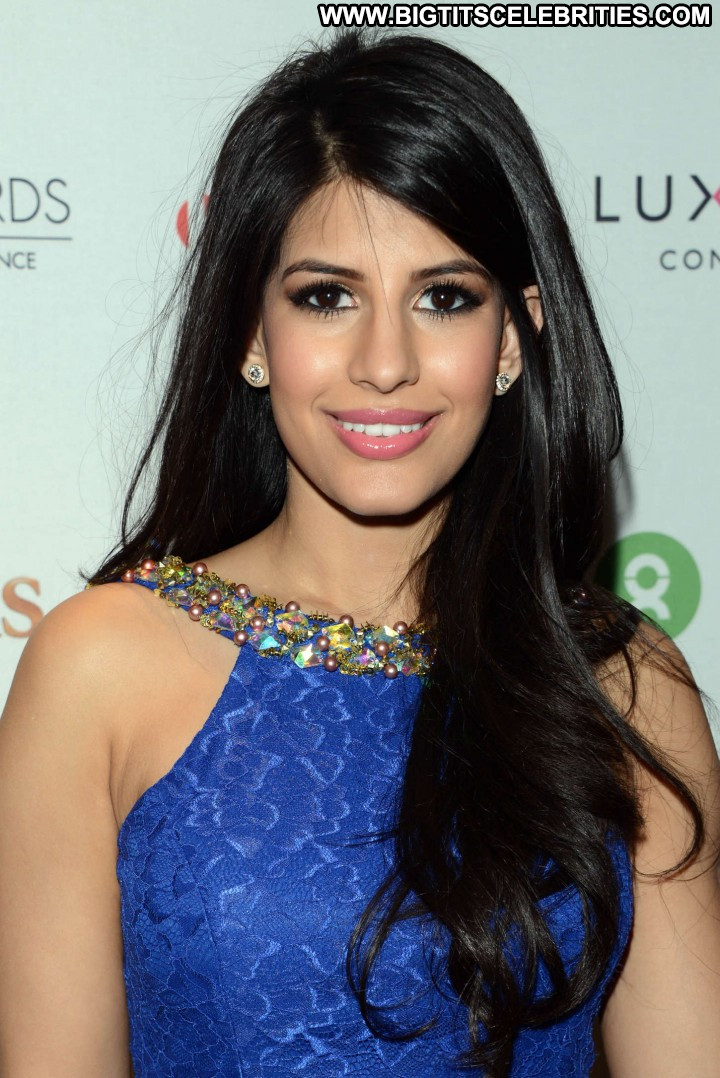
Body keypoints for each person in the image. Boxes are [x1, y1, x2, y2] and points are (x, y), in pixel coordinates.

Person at [1, 28, 719, 1078]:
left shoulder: (623, 685)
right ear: (253, 333)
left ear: (512, 338)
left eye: (445, 297)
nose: (386, 363)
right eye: (326, 296)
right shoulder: (97, 668)